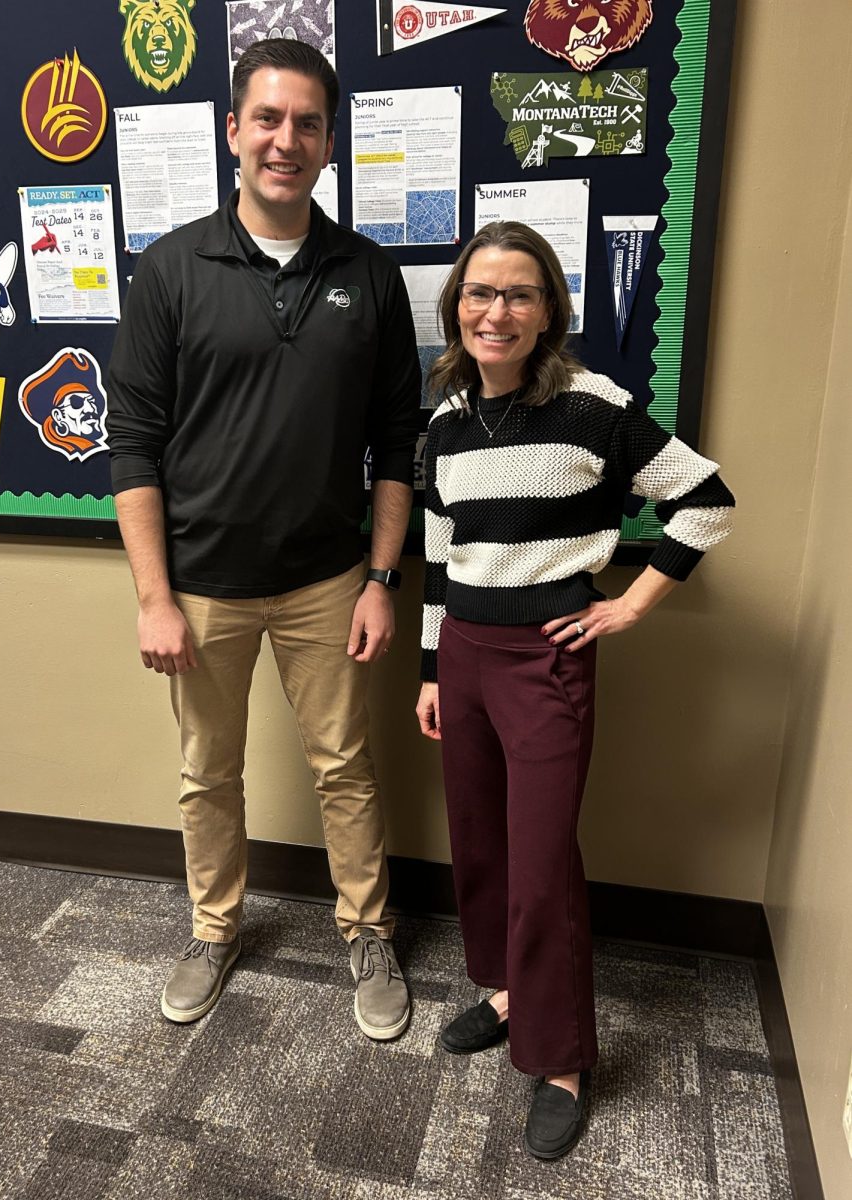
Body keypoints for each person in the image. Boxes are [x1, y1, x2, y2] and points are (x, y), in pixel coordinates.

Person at [107, 38, 421, 1040]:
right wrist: (155, 598)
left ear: (331, 141)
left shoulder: (367, 274)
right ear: (235, 130)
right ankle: (215, 927)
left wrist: (381, 578)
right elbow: (134, 449)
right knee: (209, 769)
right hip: (203, 582)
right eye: (269, 120)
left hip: (331, 579)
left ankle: (367, 930)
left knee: (346, 763)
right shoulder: (170, 269)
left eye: (308, 123)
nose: (287, 140)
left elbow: (397, 448)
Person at [415, 222, 734, 1159]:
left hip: (545, 657)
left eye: (519, 294)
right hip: (465, 654)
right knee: (479, 840)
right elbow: (440, 554)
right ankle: (509, 993)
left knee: (543, 861)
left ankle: (558, 1058)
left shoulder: (594, 406)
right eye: (480, 293)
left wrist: (630, 606)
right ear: (456, 306)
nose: (496, 311)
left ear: (550, 308)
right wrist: (434, 667)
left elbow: (706, 499)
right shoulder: (444, 419)